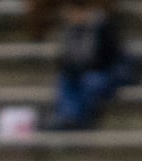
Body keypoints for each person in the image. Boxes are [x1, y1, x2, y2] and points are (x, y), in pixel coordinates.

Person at [45, 0, 134, 131]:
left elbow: (108, 59)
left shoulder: (104, 27)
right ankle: (69, 117)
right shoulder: (69, 30)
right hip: (78, 72)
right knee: (64, 80)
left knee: (90, 82)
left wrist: (83, 67)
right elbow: (64, 60)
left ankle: (80, 120)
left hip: (104, 73)